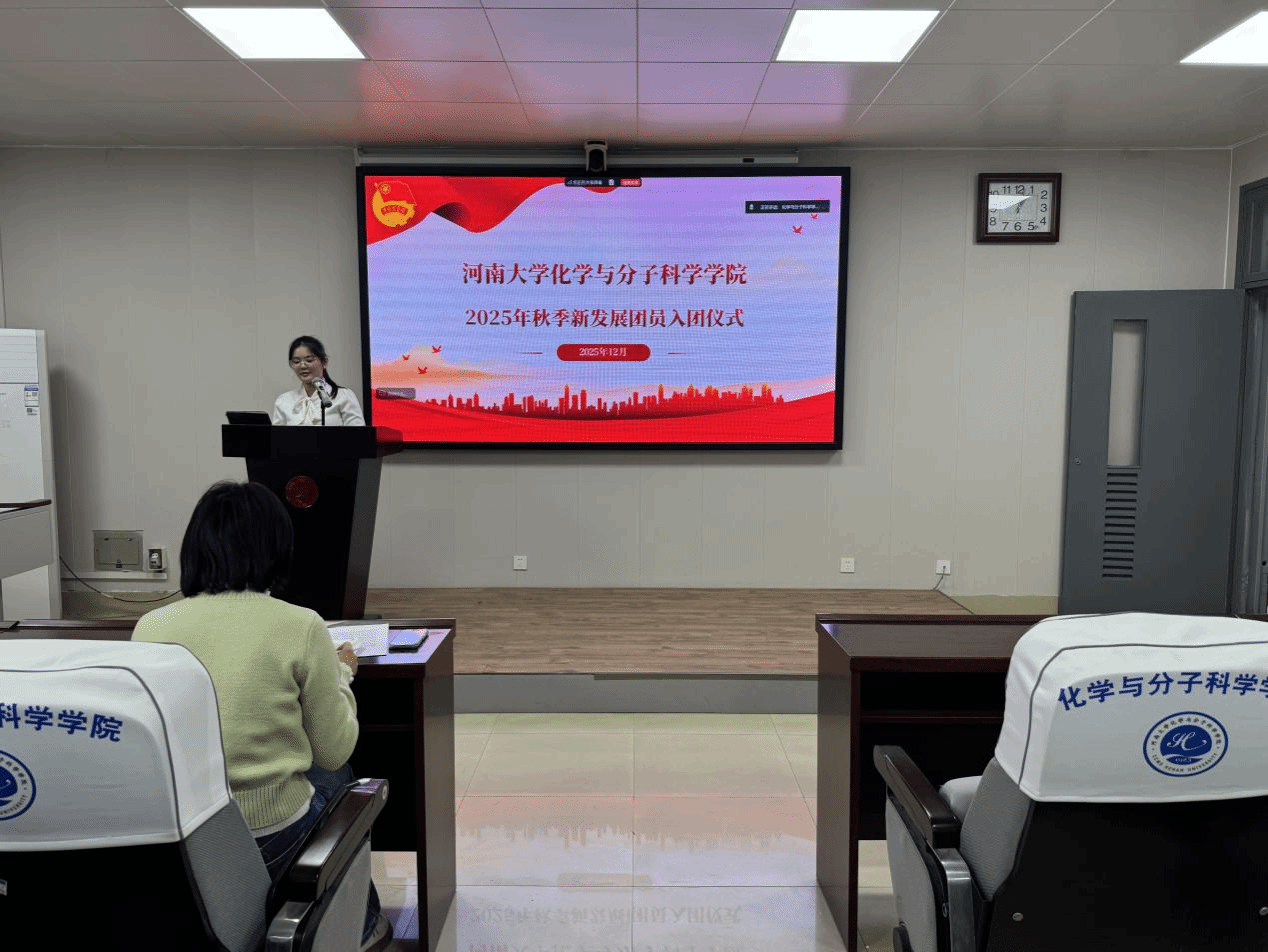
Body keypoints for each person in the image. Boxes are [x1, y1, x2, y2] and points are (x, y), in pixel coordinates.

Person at [133, 481, 392, 952]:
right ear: (277, 548)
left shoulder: (151, 627)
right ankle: (362, 925)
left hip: (188, 837)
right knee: (343, 779)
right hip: (272, 830)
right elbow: (333, 750)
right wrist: (341, 674)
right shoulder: (300, 624)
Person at [272, 335, 365, 426]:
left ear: (324, 362)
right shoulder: (284, 401)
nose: (302, 366)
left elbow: (358, 434)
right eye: (296, 361)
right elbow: (276, 435)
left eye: (309, 360)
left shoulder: (343, 396)